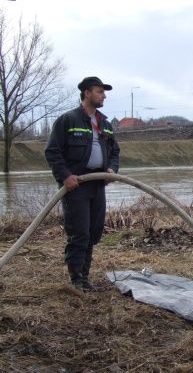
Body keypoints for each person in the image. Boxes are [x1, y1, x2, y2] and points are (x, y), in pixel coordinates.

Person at [45, 76, 120, 291]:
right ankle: (76, 280)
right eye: (99, 91)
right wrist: (65, 176)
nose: (104, 95)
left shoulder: (105, 123)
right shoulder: (68, 120)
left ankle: (85, 277)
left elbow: (115, 152)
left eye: (104, 92)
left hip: (97, 184)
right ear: (87, 93)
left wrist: (112, 170)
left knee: (94, 232)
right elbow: (52, 151)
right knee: (80, 233)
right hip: (76, 185)